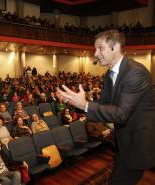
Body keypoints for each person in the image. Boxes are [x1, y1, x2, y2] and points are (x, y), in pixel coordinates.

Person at [57, 30, 155, 185]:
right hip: (123, 143)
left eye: (100, 48)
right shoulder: (110, 75)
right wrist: (77, 102)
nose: (96, 53)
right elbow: (104, 106)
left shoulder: (135, 72)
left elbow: (121, 114)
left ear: (114, 47)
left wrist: (85, 104)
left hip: (137, 145)